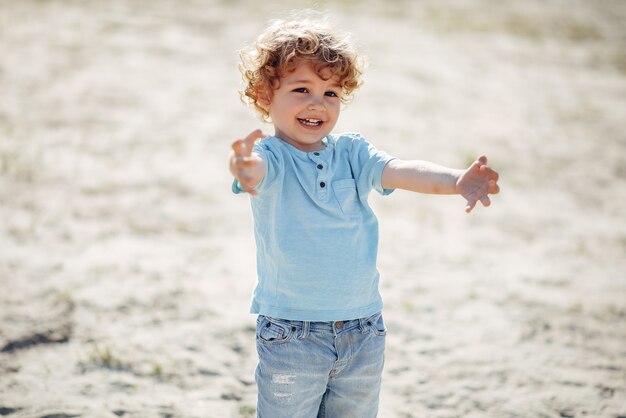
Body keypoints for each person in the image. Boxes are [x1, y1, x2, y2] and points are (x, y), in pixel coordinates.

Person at [228, 15, 500, 418]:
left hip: (363, 330)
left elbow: (401, 170)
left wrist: (457, 179)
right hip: (293, 335)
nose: (317, 103)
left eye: (331, 92)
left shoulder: (352, 153)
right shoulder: (272, 157)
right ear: (266, 96)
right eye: (301, 88)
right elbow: (254, 174)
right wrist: (244, 167)